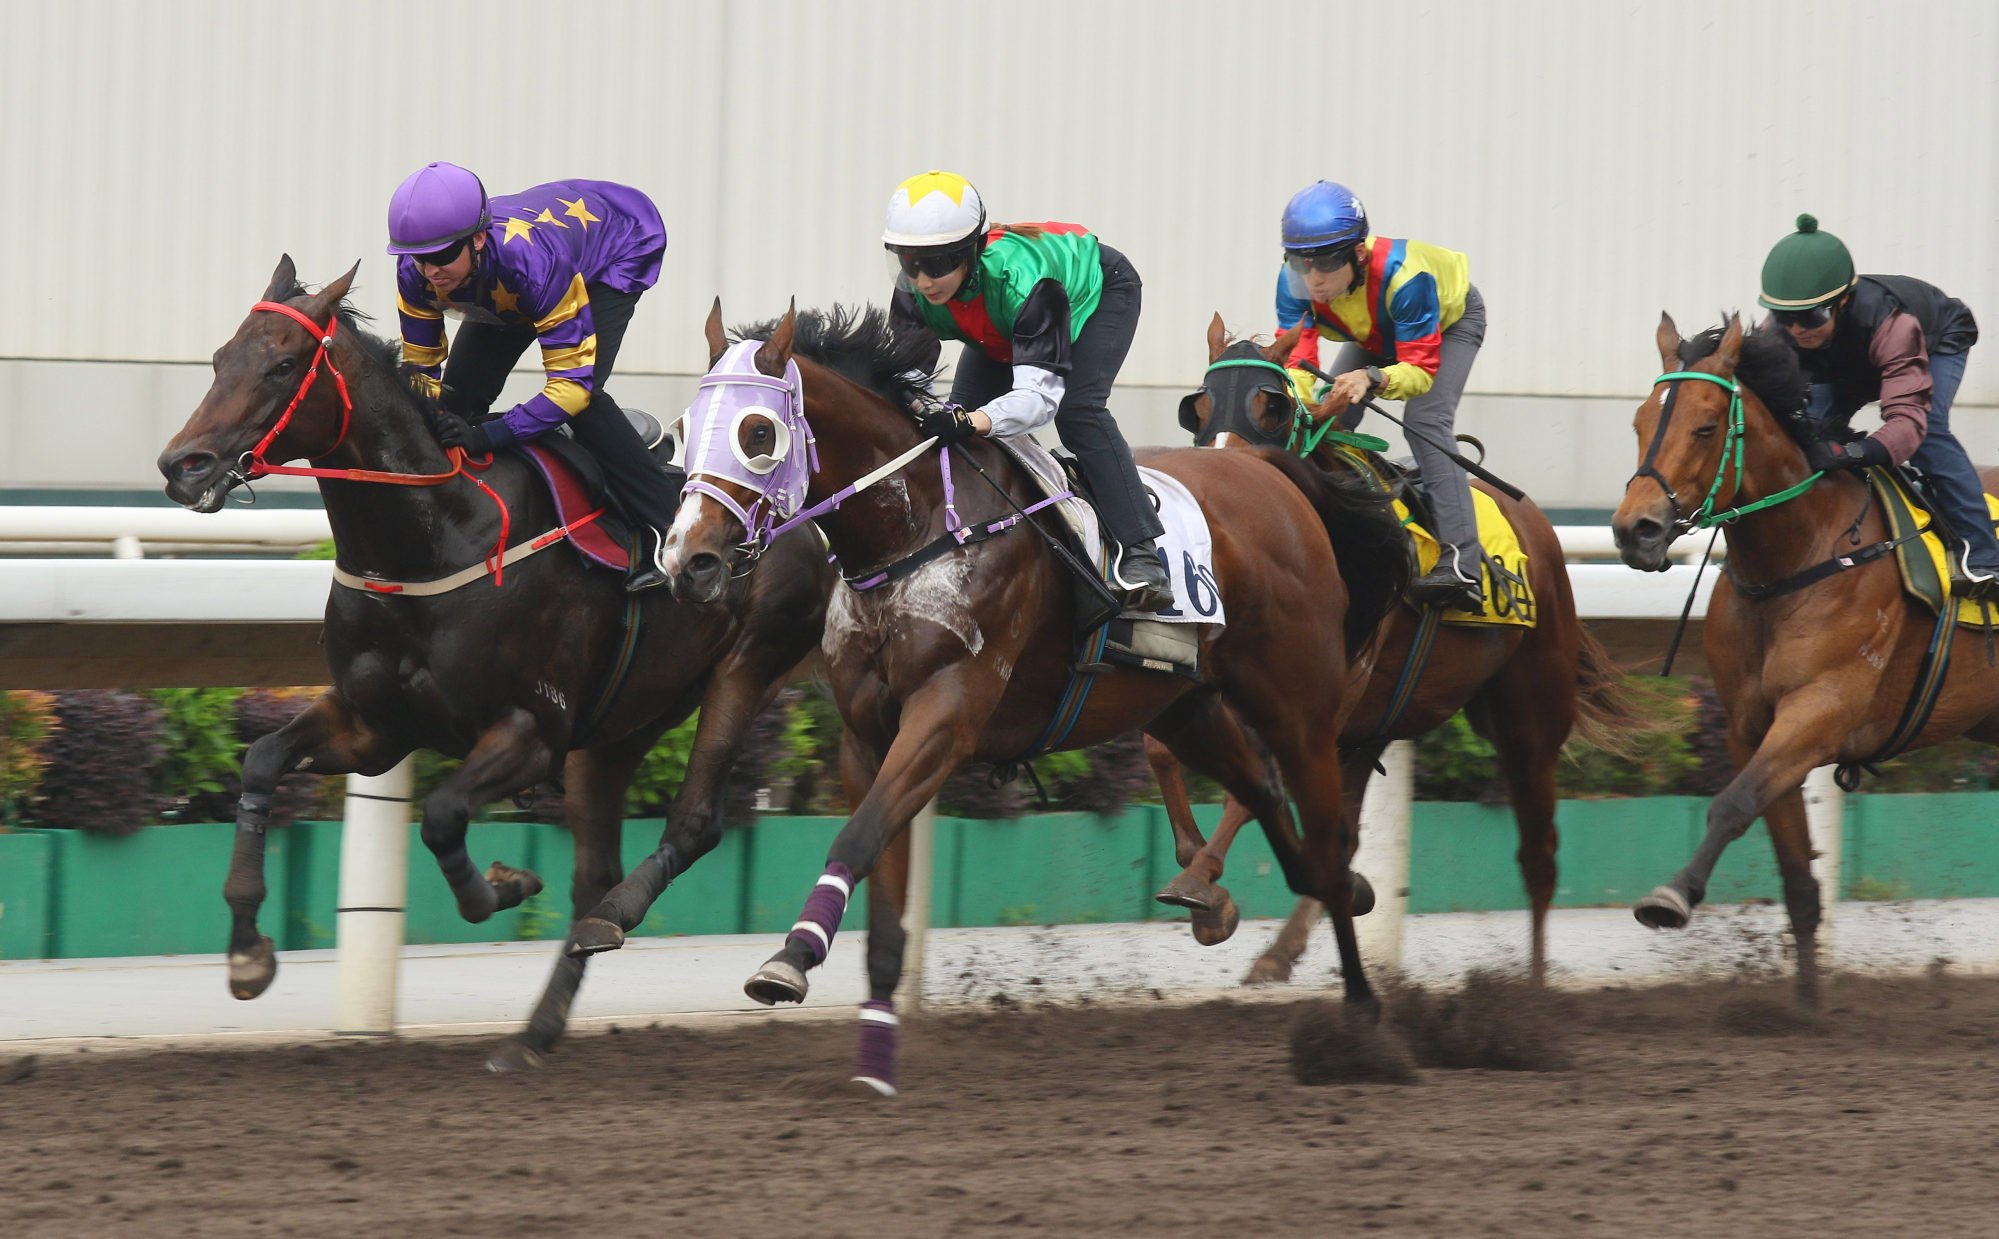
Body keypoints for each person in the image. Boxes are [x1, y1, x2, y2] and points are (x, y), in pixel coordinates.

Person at [881, 170, 1173, 612]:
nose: (923, 280)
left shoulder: (1025, 282)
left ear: (971, 252)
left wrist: (971, 420)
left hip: (1096, 291)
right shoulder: (912, 293)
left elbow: (1039, 400)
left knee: (1079, 412)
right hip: (1005, 321)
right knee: (955, 428)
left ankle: (1142, 551)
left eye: (937, 263)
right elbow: (906, 383)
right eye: (910, 261)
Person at [387, 161, 684, 592]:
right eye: (419, 259)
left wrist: (488, 437)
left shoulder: (534, 262)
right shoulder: (414, 273)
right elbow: (422, 373)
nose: (431, 270)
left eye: (442, 256)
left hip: (616, 245)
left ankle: (668, 526)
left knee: (585, 405)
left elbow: (570, 390)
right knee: (457, 399)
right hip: (515, 274)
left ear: (477, 238)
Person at [1274, 180, 1488, 612]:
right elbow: (1297, 363)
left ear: (1356, 253)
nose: (1314, 279)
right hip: (1371, 329)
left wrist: (1371, 378)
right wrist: (1302, 407)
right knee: (1323, 424)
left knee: (1425, 421)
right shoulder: (1294, 281)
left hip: (1445, 324)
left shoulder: (1407, 279)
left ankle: (1463, 564)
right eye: (1301, 263)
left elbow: (1421, 372)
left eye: (1328, 263)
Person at [1757, 213, 1994, 596]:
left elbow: (1907, 421)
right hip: (1850, 359)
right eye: (1785, 318)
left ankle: (1986, 555)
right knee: (1808, 431)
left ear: (1843, 302)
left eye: (1810, 317)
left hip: (1936, 339)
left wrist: (1854, 451)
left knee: (1930, 432)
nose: (1798, 330)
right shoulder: (1776, 336)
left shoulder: (1894, 325)